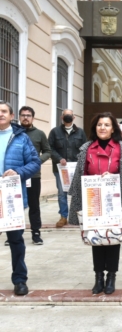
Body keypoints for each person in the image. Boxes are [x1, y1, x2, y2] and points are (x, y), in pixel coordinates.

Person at [68, 112, 122, 295]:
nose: (102, 128)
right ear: (95, 128)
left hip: (115, 200)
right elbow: (81, 174)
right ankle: (98, 277)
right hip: (92, 199)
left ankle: (111, 276)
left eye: (107, 125)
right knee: (95, 238)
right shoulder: (86, 148)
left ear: (113, 129)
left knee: (112, 238)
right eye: (99, 125)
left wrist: (114, 178)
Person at [0, 101, 41, 295]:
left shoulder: (21, 138)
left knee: (16, 241)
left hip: (11, 198)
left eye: (3, 111)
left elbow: (34, 163)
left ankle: (19, 280)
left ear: (11, 115)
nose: (0, 114)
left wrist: (17, 172)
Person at [48, 109, 87, 228]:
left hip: (76, 169)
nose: (68, 117)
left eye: (70, 115)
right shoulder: (55, 132)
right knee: (61, 193)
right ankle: (63, 216)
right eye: (66, 115)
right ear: (62, 117)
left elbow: (85, 149)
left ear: (74, 117)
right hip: (60, 169)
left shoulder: (80, 132)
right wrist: (59, 158)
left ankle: (78, 215)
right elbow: (49, 148)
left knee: (78, 193)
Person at [19, 106, 51, 245]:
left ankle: (36, 233)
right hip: (15, 176)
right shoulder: (13, 133)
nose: (25, 117)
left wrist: (38, 161)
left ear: (33, 118)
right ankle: (14, 233)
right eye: (23, 115)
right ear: (19, 117)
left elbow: (47, 151)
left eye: (28, 115)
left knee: (34, 205)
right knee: (16, 205)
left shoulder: (39, 134)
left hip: (33, 175)